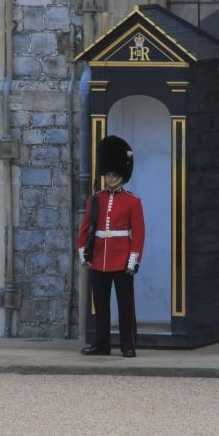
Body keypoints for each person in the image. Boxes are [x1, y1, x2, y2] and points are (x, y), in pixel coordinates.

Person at [77, 136, 145, 358]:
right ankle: (101, 344)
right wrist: (83, 254)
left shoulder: (133, 201)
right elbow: (86, 228)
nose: (110, 178)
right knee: (101, 306)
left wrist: (133, 260)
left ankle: (128, 345)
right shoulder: (96, 199)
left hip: (122, 258)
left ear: (121, 176)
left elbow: (138, 234)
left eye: (114, 174)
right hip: (98, 257)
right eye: (108, 174)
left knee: (126, 306)